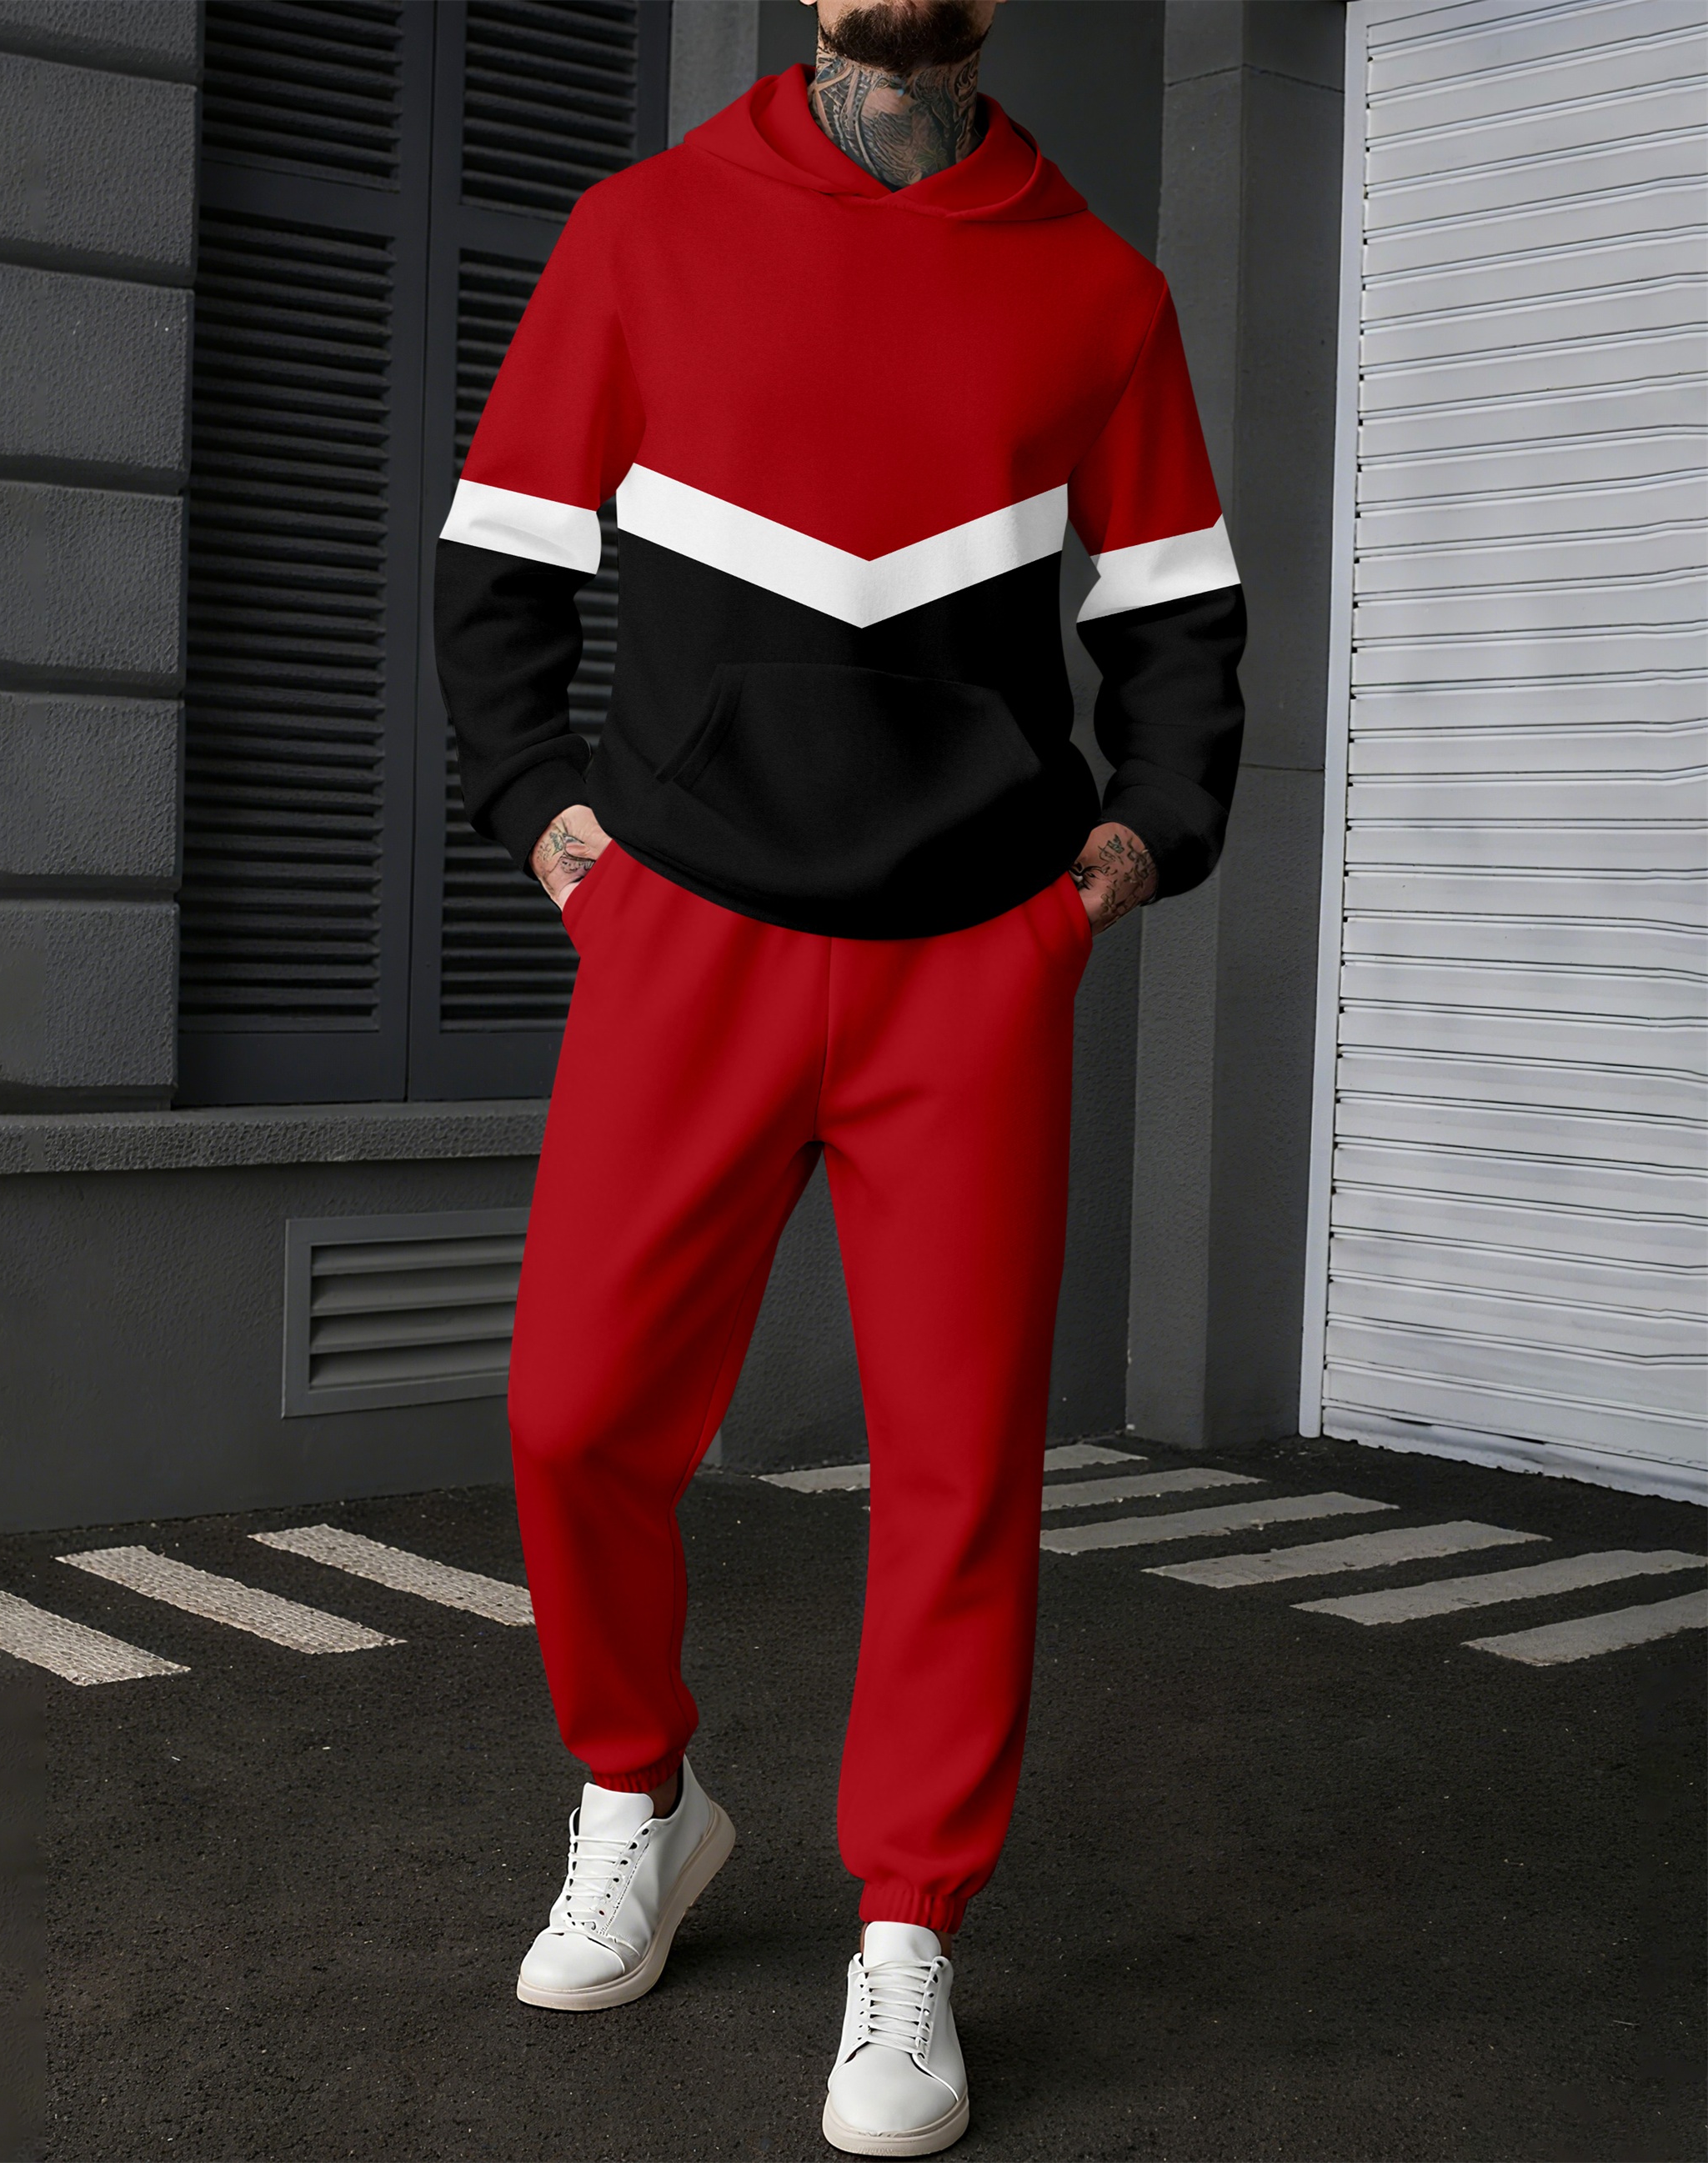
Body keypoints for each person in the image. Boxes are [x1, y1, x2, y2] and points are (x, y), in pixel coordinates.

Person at [433, 0, 1245, 2149]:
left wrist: (1116, 865)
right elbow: (498, 569)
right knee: (573, 1414)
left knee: (959, 1471)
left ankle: (910, 1928)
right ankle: (642, 1793)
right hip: (684, 933)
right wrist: (558, 836)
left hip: (970, 958)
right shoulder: (641, 233)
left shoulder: (1101, 288)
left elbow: (1178, 623)